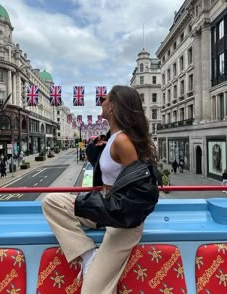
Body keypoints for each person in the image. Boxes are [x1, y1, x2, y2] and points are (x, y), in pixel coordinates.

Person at [42, 85, 159, 294]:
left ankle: (94, 264)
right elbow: (104, 167)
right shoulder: (111, 137)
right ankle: (88, 255)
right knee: (51, 202)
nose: (101, 101)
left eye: (105, 98)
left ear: (112, 106)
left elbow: (137, 188)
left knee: (92, 291)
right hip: (105, 207)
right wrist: (97, 148)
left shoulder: (123, 141)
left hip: (122, 220)